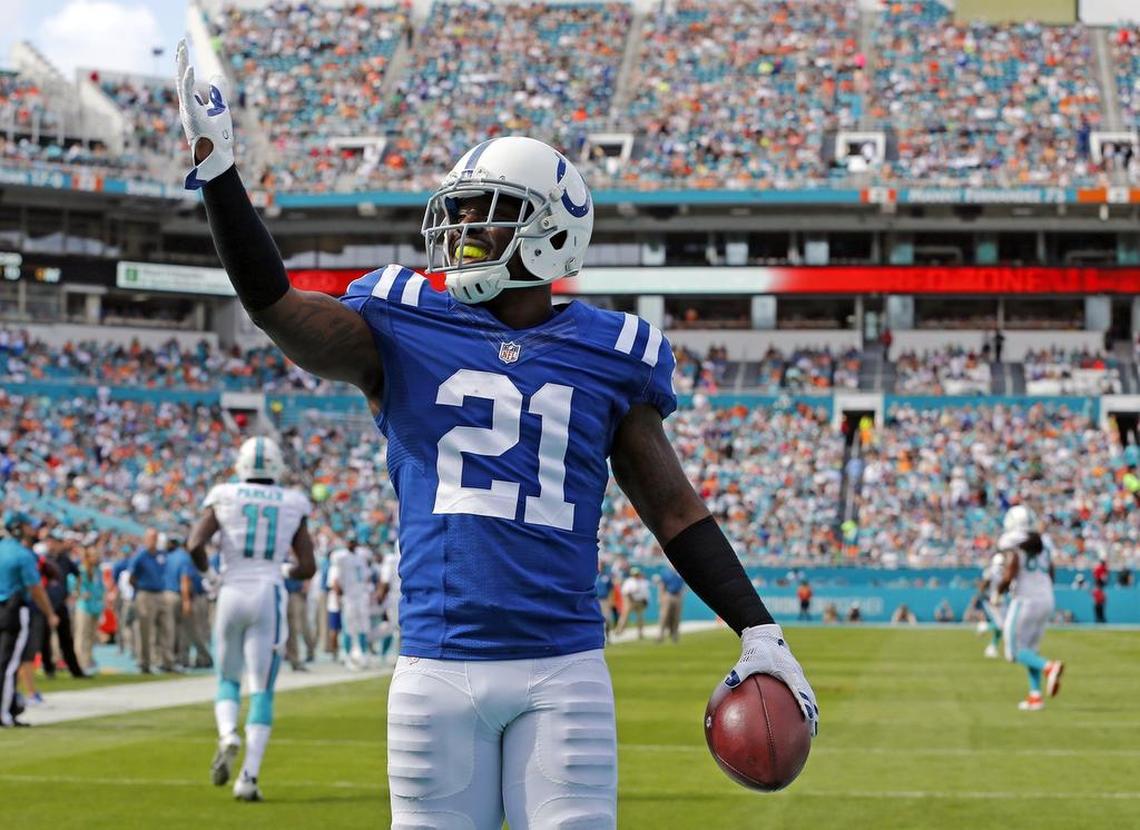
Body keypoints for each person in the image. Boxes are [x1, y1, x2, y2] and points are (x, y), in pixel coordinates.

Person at [177, 47, 817, 827]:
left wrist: (757, 624)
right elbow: (275, 305)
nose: (466, 229)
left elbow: (673, 510)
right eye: (463, 210)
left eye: (491, 212)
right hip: (436, 665)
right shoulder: (402, 319)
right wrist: (220, 175)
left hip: (563, 669)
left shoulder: (612, 352)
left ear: (553, 232)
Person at [187, 435, 315, 802]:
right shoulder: (292, 501)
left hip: (230, 589)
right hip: (267, 593)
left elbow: (195, 544)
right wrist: (279, 570)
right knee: (261, 688)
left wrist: (210, 577)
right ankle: (249, 777)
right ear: (276, 465)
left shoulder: (225, 494)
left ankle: (228, 733)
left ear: (241, 464)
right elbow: (307, 566)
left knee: (227, 677)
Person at [996, 505, 1065, 711]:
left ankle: (1049, 667)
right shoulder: (1044, 541)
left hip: (1025, 599)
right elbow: (1051, 571)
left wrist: (999, 590)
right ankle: (1035, 696)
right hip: (1046, 597)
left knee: (1014, 652)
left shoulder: (1011, 540)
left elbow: (1011, 569)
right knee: (1030, 650)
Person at [1, 512, 58, 727]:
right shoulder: (22, 554)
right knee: (9, 664)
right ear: (18, 527)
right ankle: (5, 713)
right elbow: (36, 589)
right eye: (28, 526)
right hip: (13, 609)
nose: (32, 531)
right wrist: (50, 613)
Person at [130, 529, 171, 674]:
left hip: (160, 592)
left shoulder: (161, 555)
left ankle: (166, 661)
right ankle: (144, 662)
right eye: (151, 538)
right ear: (145, 539)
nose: (153, 540)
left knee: (166, 628)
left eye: (155, 537)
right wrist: (139, 590)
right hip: (145, 593)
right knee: (145, 630)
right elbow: (131, 576)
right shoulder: (140, 556)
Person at [70, 547, 105, 673]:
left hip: (95, 606)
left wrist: (101, 599)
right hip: (84, 607)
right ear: (88, 557)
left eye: (96, 555)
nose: (95, 558)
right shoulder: (82, 570)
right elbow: (74, 585)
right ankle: (80, 660)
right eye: (93, 555)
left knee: (91, 635)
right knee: (82, 635)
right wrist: (80, 593)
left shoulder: (97, 571)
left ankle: (88, 659)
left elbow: (101, 587)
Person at [617, 567, 650, 639]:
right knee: (624, 616)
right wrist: (628, 601)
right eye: (635, 574)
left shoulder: (643, 582)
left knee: (640, 618)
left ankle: (640, 633)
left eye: (637, 574)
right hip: (630, 600)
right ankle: (619, 630)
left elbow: (646, 593)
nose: (636, 575)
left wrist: (646, 601)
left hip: (640, 601)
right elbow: (625, 592)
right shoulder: (629, 581)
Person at [655, 566, 684, 643]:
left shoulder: (680, 573)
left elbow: (682, 585)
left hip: (678, 595)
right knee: (664, 616)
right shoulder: (666, 572)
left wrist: (682, 594)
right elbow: (662, 585)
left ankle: (674, 634)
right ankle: (660, 635)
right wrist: (660, 597)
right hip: (668, 594)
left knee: (676, 617)